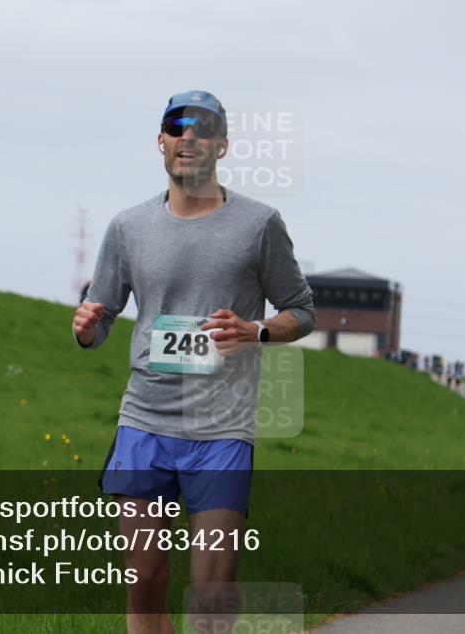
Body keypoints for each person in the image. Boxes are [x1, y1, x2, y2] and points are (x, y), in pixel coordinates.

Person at [72, 90, 316, 633]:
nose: (189, 137)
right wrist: (87, 330)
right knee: (143, 580)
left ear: (222, 145)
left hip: (222, 428)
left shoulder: (259, 224)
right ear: (160, 141)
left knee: (212, 591)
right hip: (144, 422)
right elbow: (102, 314)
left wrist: (256, 331)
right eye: (176, 127)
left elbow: (302, 310)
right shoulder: (127, 227)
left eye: (203, 128)